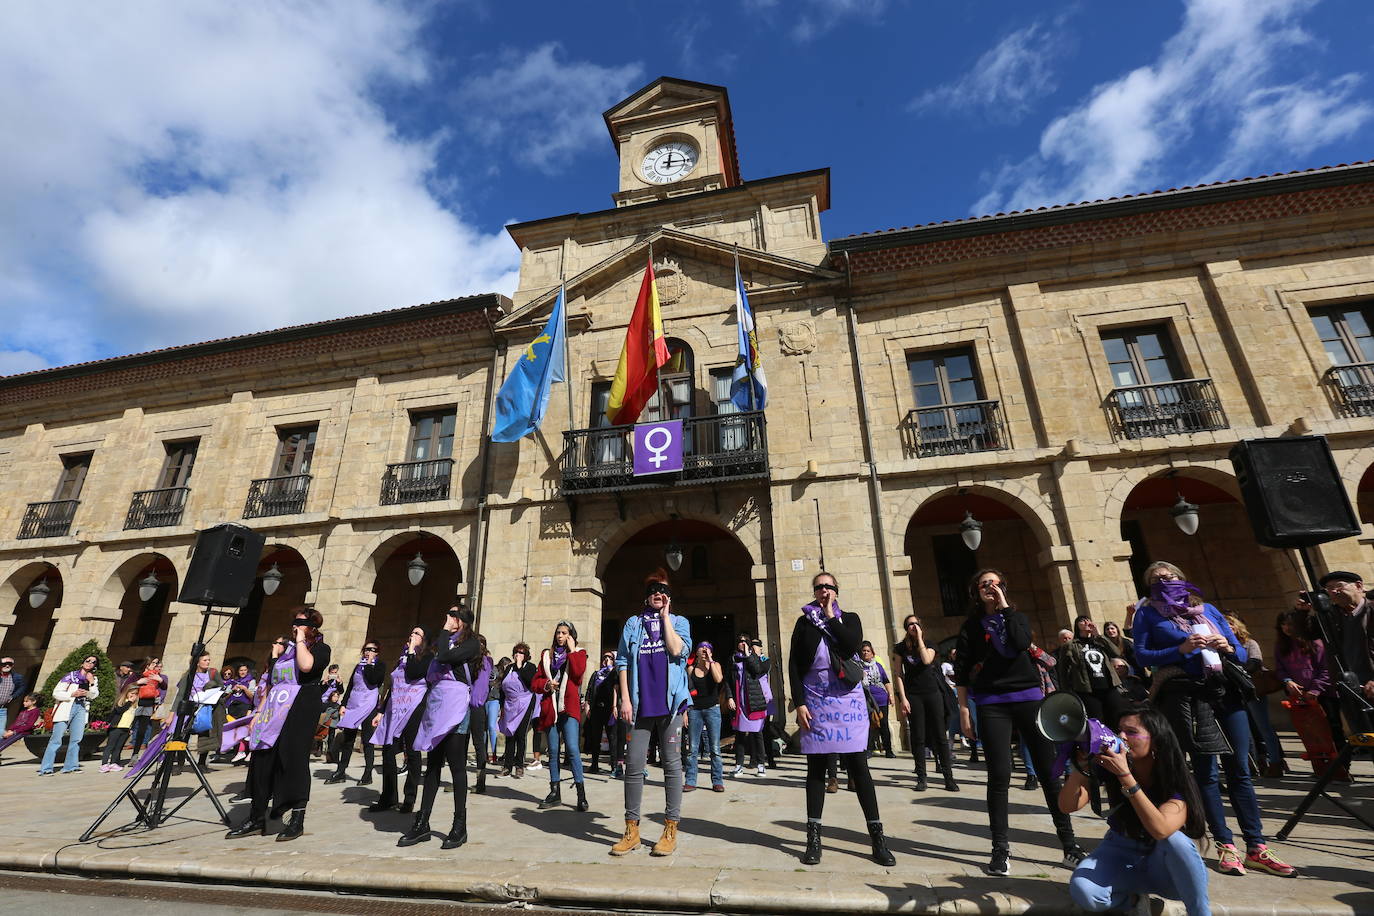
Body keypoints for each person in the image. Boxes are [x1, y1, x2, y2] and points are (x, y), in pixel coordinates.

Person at [1133, 561, 1294, 878]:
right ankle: (1225, 845)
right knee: (1206, 771)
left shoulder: (1207, 610)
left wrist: (1227, 647)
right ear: (1149, 585)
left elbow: (1242, 654)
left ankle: (1257, 846)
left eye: (1171, 576)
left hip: (1225, 691)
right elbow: (1142, 656)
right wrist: (1180, 649)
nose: (1166, 580)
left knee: (1240, 770)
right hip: (1189, 697)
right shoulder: (1147, 613)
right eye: (1157, 578)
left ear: (1183, 579)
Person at [954, 569, 1083, 876]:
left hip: (1028, 698)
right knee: (999, 775)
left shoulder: (1017, 617)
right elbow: (962, 670)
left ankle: (1069, 845)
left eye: (996, 583)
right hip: (991, 703)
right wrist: (963, 710)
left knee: (1049, 773)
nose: (991, 587)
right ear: (975, 591)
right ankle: (1000, 849)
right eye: (985, 584)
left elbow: (1022, 641)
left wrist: (1005, 609)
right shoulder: (971, 626)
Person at [790, 571, 896, 867]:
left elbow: (851, 646)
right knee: (816, 770)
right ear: (814, 591)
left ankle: (877, 839)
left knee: (859, 768)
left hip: (848, 701)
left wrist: (830, 617)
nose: (823, 590)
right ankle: (813, 839)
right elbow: (794, 665)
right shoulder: (803, 622)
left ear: (836, 590)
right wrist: (799, 703)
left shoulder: (849, 618)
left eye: (828, 586)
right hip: (815, 699)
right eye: (818, 587)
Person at [1063, 705, 1211, 915]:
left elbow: (1161, 830)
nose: (1122, 737)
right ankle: (1132, 899)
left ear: (1156, 742)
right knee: (1085, 892)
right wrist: (1081, 767)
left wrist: (1126, 778)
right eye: (1120, 730)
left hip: (1164, 867)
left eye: (1131, 732)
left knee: (1176, 840)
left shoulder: (1175, 780)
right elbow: (1067, 806)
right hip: (1119, 848)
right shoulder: (1110, 768)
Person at [225, 607, 331, 842]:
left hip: (301, 708)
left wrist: (301, 640)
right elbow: (273, 682)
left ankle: (296, 819)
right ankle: (256, 816)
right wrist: (258, 713)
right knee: (262, 758)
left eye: (301, 623)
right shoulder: (286, 652)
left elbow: (307, 667)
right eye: (294, 623)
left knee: (293, 760)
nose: (295, 626)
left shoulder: (321, 649)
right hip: (274, 708)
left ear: (313, 627)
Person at [609, 568, 692, 857]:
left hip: (670, 705)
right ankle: (631, 830)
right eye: (653, 589)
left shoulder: (680, 622)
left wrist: (665, 617)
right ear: (645, 596)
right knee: (633, 765)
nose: (658, 593)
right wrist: (625, 699)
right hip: (639, 704)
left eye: (663, 590)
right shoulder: (633, 624)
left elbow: (677, 650)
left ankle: (670, 829)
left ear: (670, 596)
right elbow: (622, 661)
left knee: (672, 765)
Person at [398, 602, 482, 849]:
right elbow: (430, 667)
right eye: (448, 613)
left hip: (456, 705)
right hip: (437, 704)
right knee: (433, 765)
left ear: (464, 620)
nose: (449, 617)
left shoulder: (471, 643)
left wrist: (445, 631)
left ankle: (459, 825)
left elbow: (445, 656)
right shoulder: (443, 641)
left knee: (456, 766)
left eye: (454, 614)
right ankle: (422, 822)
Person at [892, 613, 957, 792]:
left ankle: (948, 778)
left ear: (920, 626)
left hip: (933, 694)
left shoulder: (930, 644)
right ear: (906, 628)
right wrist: (903, 698)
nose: (913, 627)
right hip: (914, 696)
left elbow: (927, 660)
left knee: (940, 736)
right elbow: (898, 674)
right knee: (918, 737)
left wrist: (920, 639)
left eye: (916, 624)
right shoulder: (900, 648)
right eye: (910, 624)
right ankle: (921, 777)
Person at [367, 626, 429, 812]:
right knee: (388, 751)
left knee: (412, 752)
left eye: (417, 633)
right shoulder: (401, 658)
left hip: (414, 708)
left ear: (424, 640)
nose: (412, 635)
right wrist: (381, 711)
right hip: (395, 709)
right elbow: (393, 687)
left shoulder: (427, 657)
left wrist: (411, 652)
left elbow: (414, 673)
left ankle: (409, 799)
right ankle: (388, 797)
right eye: (412, 632)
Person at [1275, 607, 1347, 764]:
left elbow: (1327, 669)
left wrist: (1315, 689)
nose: (1287, 628)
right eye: (1283, 624)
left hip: (1324, 694)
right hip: (1300, 695)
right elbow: (1280, 669)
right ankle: (1321, 766)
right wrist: (1287, 681)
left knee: (1333, 730)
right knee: (1311, 733)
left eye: (1290, 624)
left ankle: (1341, 766)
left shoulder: (1316, 643)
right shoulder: (1281, 646)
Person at [532, 620, 589, 811]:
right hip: (551, 708)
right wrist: (547, 685)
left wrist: (572, 651)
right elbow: (536, 682)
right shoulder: (546, 656)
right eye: (558, 632)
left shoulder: (579, 653)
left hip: (569, 708)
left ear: (571, 635)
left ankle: (581, 794)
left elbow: (578, 675)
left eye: (564, 633)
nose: (560, 636)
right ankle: (554, 792)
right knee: (554, 751)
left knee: (572, 749)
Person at [1310, 570, 1374, 730]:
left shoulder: (1371, 610)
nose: (1334, 591)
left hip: (1371, 683)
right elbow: (1306, 633)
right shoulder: (1331, 617)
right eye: (1329, 589)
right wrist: (1302, 612)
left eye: (1339, 586)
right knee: (1365, 737)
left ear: (1359, 586)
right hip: (1352, 689)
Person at [1224, 612, 1285, 778]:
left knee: (1263, 727)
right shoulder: (1222, 645)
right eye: (1225, 624)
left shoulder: (1249, 643)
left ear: (1237, 626)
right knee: (1246, 731)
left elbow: (1255, 663)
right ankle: (1253, 763)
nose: (1228, 627)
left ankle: (1276, 763)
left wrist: (1234, 670)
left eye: (1231, 623)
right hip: (1234, 691)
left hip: (1253, 690)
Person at [325, 641, 385, 786]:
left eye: (372, 649)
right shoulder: (358, 666)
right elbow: (351, 686)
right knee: (348, 740)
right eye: (366, 649)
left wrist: (369, 664)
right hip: (353, 704)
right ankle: (340, 771)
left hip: (369, 705)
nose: (368, 652)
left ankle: (367, 774)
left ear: (377, 652)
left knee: (367, 741)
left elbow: (373, 679)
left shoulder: (380, 665)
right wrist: (343, 704)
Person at [40, 653, 100, 775]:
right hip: (66, 707)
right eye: (88, 660)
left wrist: (91, 684)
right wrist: (72, 694)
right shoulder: (70, 676)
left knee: (76, 739)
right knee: (56, 739)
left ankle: (71, 766)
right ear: (82, 663)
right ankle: (46, 768)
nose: (90, 663)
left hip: (81, 708)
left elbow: (94, 695)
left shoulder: (92, 679)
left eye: (93, 662)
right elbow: (56, 693)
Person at [729, 633, 772, 777]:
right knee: (740, 735)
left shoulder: (756, 658)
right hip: (740, 701)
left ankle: (761, 764)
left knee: (758, 733)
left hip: (755, 701)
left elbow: (757, 670)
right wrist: (730, 697)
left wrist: (749, 655)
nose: (742, 643)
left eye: (745, 641)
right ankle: (739, 765)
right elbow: (729, 679)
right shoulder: (734, 659)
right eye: (740, 641)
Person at [685, 642, 725, 793]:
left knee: (715, 748)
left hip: (712, 709)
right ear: (696, 652)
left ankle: (717, 781)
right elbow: (686, 691)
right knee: (692, 749)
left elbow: (718, 679)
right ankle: (690, 781)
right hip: (695, 710)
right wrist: (685, 712)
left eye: (707, 649)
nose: (704, 651)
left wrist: (710, 661)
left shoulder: (716, 665)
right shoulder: (691, 669)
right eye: (701, 649)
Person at [498, 643, 536, 777]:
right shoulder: (509, 668)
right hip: (510, 705)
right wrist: (501, 706)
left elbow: (530, 682)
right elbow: (502, 688)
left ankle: (519, 765)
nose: (518, 655)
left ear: (526, 656)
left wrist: (520, 667)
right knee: (510, 735)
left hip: (525, 704)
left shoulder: (530, 667)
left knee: (520, 735)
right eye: (516, 652)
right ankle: (507, 766)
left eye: (521, 653)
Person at [468, 635, 495, 794]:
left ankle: (480, 782)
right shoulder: (472, 660)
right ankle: (464, 781)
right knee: (465, 743)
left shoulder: (485, 661)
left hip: (476, 706)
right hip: (467, 706)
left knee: (478, 744)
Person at [584, 650, 618, 774]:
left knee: (612, 738)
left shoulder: (614, 673)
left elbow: (616, 687)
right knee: (595, 738)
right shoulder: (596, 674)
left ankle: (614, 766)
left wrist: (615, 706)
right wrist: (587, 704)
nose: (607, 659)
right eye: (605, 657)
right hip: (596, 709)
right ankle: (594, 765)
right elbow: (589, 689)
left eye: (610, 657)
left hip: (609, 709)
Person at [859, 641, 894, 758]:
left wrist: (891, 695)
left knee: (884, 724)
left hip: (881, 699)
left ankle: (888, 750)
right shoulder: (858, 666)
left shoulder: (878, 666)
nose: (865, 653)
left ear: (872, 653)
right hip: (867, 699)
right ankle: (869, 749)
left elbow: (886, 681)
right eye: (863, 651)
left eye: (868, 651)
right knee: (868, 725)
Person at [129, 658, 167, 759]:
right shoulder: (138, 675)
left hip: (148, 705)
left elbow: (164, 687)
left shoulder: (156, 675)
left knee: (142, 730)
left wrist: (160, 680)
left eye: (156, 663)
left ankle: (135, 754)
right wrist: (138, 682)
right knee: (129, 727)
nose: (155, 665)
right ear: (147, 664)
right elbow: (126, 687)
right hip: (135, 704)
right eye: (153, 663)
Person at [100, 685, 141, 772]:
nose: (133, 695)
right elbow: (120, 711)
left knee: (118, 747)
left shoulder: (135, 705)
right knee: (110, 746)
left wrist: (132, 728)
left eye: (135, 694)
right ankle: (104, 764)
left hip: (126, 728)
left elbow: (134, 718)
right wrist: (129, 702)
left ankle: (113, 763)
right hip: (116, 727)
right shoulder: (122, 702)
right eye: (131, 693)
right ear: (127, 693)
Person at [0, 693, 42, 760]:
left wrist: (13, 732)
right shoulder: (24, 711)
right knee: (1, 742)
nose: (24, 703)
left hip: (22, 732)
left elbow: (29, 725)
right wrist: (10, 730)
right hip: (15, 731)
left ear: (34, 701)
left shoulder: (35, 711)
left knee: (4, 744)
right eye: (24, 701)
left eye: (26, 701)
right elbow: (16, 722)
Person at [0, 657, 25, 735]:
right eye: (4, 664)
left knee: (1, 732)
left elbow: (22, 687)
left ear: (12, 665)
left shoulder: (16, 677)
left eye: (9, 664)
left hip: (2, 709)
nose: (7, 666)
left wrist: (13, 696)